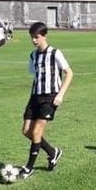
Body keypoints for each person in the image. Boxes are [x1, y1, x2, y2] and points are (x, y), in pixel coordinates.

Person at [18, 22, 73, 179]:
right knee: (26, 131)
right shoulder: (33, 55)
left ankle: (29, 168)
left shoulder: (55, 53)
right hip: (35, 96)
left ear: (44, 36)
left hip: (50, 97)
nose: (34, 40)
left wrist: (60, 94)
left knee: (36, 132)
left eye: (37, 37)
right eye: (32, 38)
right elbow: (35, 75)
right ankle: (53, 152)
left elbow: (69, 73)